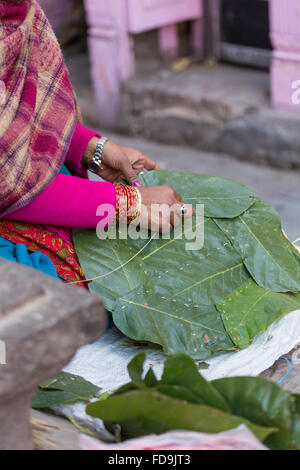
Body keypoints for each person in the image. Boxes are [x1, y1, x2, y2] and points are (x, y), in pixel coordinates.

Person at [0, 0, 192, 285]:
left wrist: (89, 148)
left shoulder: (15, 9)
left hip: (30, 184)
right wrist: (129, 203)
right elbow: (7, 181)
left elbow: (22, 112)